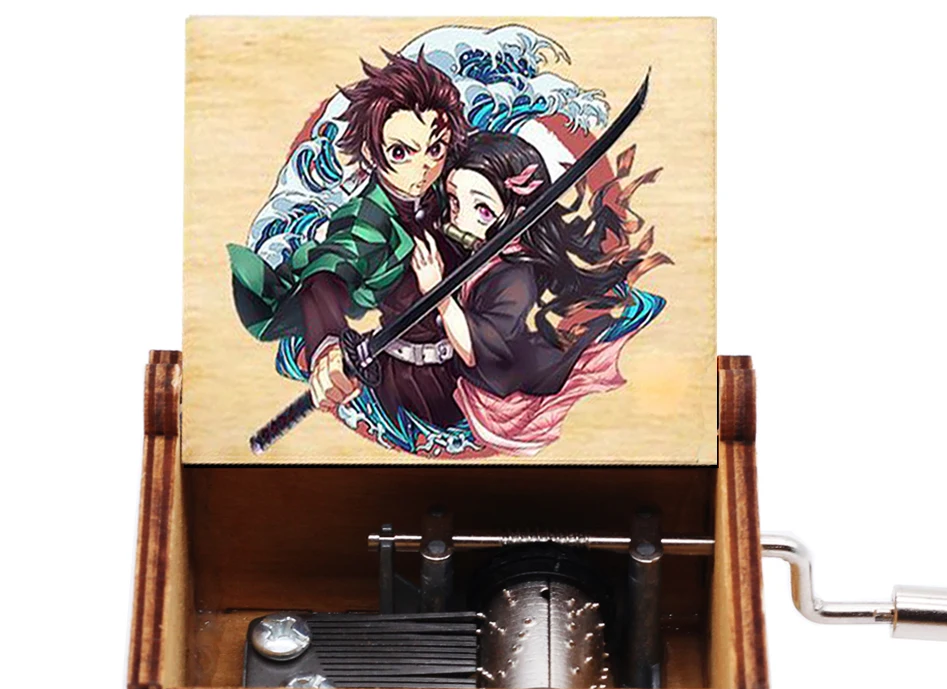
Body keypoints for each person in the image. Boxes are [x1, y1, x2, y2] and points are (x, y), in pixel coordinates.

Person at [228, 51, 469, 435]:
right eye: (401, 152)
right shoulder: (367, 221)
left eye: (435, 149)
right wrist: (327, 347)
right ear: (373, 152)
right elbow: (327, 276)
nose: (422, 168)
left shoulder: (445, 185)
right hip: (410, 385)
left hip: (464, 361)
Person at [409, 131, 669, 454]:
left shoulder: (516, 278)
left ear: (519, 215)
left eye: (482, 209)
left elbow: (479, 352)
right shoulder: (491, 257)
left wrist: (438, 294)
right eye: (454, 202)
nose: (460, 220)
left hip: (506, 411)